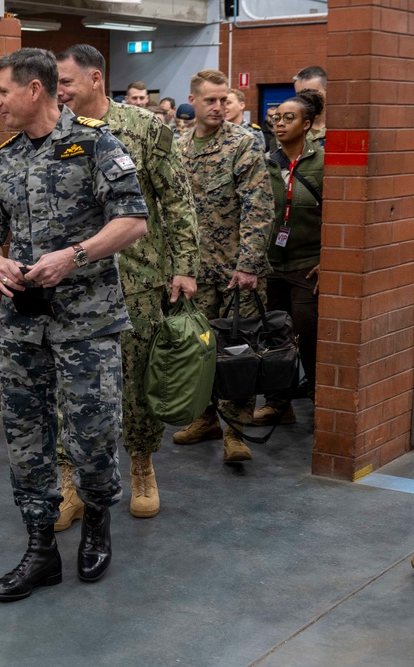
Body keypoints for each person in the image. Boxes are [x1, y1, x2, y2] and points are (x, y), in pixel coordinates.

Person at [0, 48, 148, 601]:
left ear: (34, 90)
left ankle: (97, 522)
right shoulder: (2, 161)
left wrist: (74, 254)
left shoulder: (95, 145)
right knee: (26, 439)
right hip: (23, 326)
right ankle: (39, 548)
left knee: (93, 436)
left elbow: (133, 220)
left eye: (3, 91)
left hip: (87, 323)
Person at [55, 44, 199, 521]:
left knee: (137, 380)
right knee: (71, 385)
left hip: (137, 278)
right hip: (75, 282)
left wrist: (184, 266)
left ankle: (141, 465)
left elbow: (176, 201)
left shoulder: (146, 129)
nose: (61, 92)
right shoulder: (56, 132)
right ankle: (70, 481)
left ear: (96, 79)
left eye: (67, 83)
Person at [173, 70, 274, 462]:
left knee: (238, 352)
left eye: (223, 100)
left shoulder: (242, 145)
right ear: (193, 101)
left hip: (236, 275)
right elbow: (172, 213)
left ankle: (235, 431)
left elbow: (259, 208)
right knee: (198, 351)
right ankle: (205, 418)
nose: (218, 107)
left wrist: (248, 265)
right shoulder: (179, 148)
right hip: (195, 273)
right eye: (210, 100)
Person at [253, 90, 325, 426]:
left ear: (307, 124)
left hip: (307, 265)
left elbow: (341, 216)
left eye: (289, 118)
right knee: (273, 335)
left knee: (308, 333)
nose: (280, 123)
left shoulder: (323, 163)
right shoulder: (266, 162)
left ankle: (319, 400)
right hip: (272, 264)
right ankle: (278, 403)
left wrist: (330, 260)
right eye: (277, 118)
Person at [293, 66, 327, 146]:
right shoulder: (292, 130)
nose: (305, 98)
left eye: (311, 92)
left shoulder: (342, 127)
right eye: (300, 94)